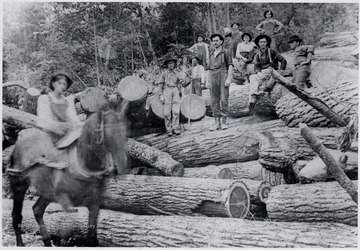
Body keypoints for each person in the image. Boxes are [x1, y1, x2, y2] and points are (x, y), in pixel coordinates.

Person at [37, 72, 83, 148]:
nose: (62, 86)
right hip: (51, 134)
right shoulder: (45, 99)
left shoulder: (67, 101)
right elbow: (43, 121)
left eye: (64, 84)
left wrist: (80, 124)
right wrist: (57, 128)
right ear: (53, 84)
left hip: (67, 131)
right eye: (59, 83)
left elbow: (72, 117)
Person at [245, 34, 287, 115]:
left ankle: (253, 97)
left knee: (259, 76)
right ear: (258, 44)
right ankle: (253, 98)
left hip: (271, 71)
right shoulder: (257, 54)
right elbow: (256, 67)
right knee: (252, 76)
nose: (263, 43)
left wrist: (280, 71)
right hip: (262, 73)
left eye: (264, 42)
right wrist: (258, 73)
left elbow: (283, 60)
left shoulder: (272, 51)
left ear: (267, 43)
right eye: (261, 42)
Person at [207, 33, 233, 131]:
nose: (215, 42)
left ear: (221, 42)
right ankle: (216, 123)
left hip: (223, 74)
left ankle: (224, 122)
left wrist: (229, 78)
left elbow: (230, 65)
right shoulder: (210, 54)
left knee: (224, 99)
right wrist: (208, 81)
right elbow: (209, 69)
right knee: (214, 100)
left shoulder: (226, 52)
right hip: (213, 76)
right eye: (213, 41)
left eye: (217, 40)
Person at [157, 57, 184, 136]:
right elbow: (160, 85)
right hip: (167, 90)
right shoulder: (164, 74)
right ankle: (168, 129)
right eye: (169, 64)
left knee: (176, 111)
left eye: (172, 63)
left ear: (174, 64)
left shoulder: (177, 73)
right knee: (166, 112)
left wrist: (183, 80)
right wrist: (161, 95)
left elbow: (182, 81)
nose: (170, 65)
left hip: (175, 90)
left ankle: (175, 128)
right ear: (167, 65)